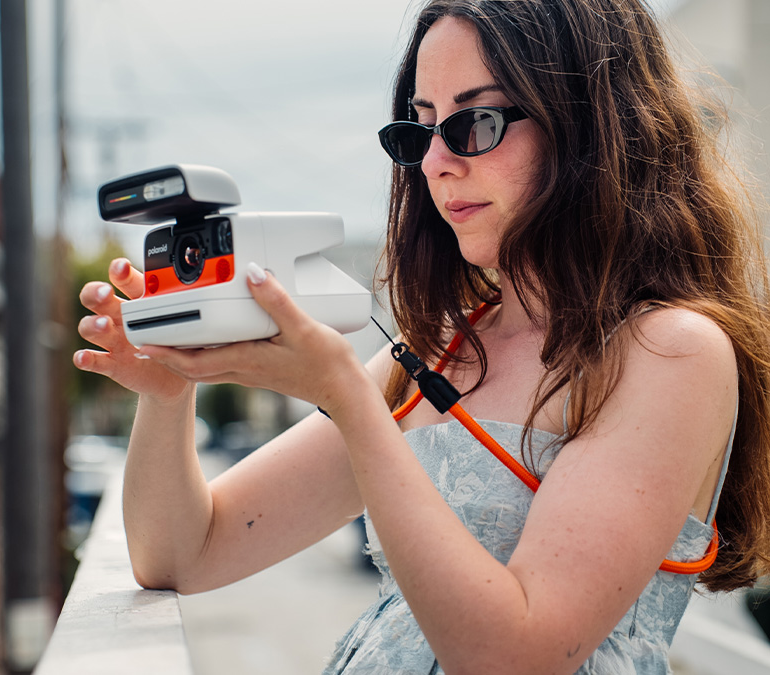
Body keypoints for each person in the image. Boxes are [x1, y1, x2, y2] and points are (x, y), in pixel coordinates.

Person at [74, 0, 770, 672]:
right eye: (420, 130)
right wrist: (167, 394)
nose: (436, 162)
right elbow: (185, 553)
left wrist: (347, 396)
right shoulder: (442, 347)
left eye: (476, 122)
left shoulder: (671, 352)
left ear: (591, 124)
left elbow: (512, 656)